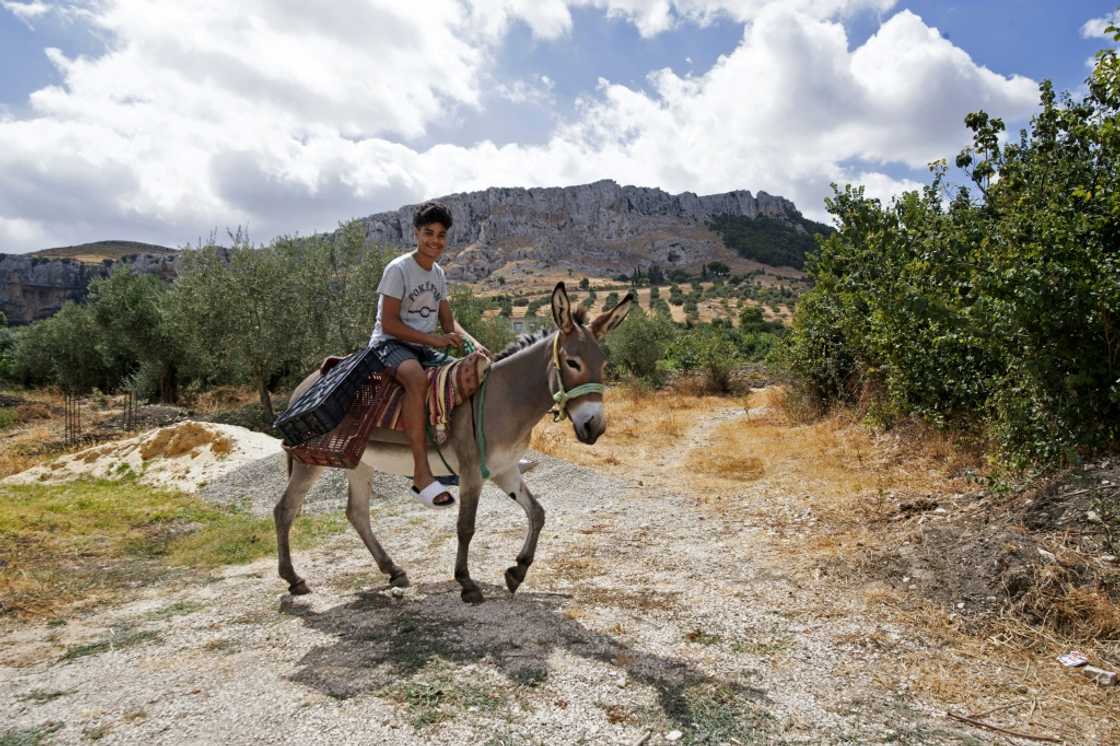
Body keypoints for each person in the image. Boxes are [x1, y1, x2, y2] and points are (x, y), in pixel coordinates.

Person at [369, 201, 470, 508]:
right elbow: (389, 323)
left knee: (470, 375)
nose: (434, 241)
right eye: (428, 233)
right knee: (415, 378)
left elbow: (448, 321)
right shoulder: (398, 269)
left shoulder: (438, 273)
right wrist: (433, 340)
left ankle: (474, 458)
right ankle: (420, 475)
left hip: (423, 346)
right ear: (415, 233)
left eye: (441, 235)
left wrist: (472, 348)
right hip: (389, 345)